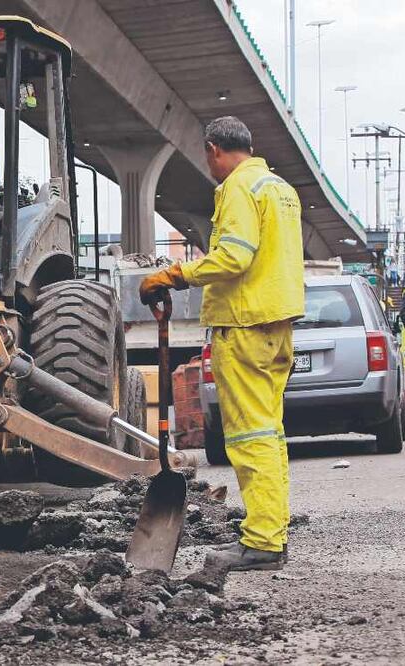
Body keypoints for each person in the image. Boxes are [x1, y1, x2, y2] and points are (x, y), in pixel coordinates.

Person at [139, 116, 305, 571]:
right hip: (277, 327)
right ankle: (270, 531)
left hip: (246, 326)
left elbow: (234, 256)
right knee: (268, 434)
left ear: (213, 149)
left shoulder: (238, 188)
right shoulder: (279, 189)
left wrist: (175, 274)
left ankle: (263, 543)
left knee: (250, 437)